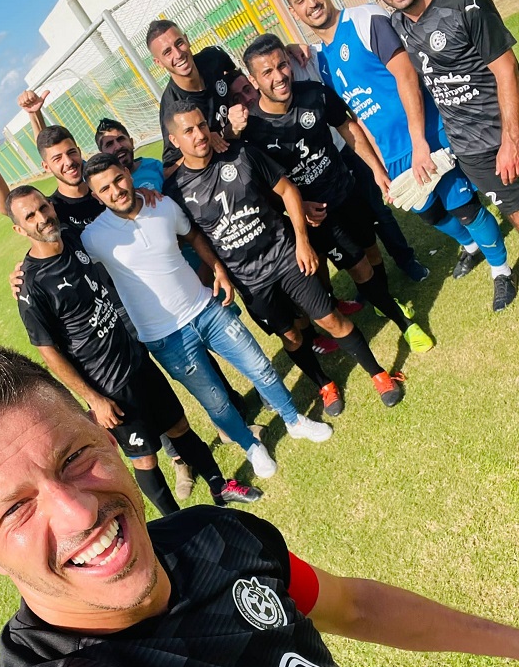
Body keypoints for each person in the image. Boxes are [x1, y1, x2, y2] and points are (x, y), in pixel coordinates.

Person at [0, 347, 519, 667]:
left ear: (109, 439)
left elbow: (353, 606)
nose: (78, 511)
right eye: (15, 509)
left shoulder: (217, 535)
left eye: (74, 458)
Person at [7, 184, 261, 514]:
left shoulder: (72, 237)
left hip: (137, 360)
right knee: (145, 458)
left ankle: (221, 486)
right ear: (19, 229)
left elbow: (111, 210)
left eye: (43, 207)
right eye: (30, 216)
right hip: (110, 387)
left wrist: (140, 190)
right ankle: (176, 524)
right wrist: (95, 399)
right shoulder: (31, 286)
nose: (41, 217)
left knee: (179, 427)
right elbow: (49, 352)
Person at [81, 153, 334, 480]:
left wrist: (219, 270)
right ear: (95, 196)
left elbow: (194, 236)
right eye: (105, 188)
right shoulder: (92, 238)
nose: (116, 190)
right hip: (166, 338)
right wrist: (23, 273)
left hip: (207, 310)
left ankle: (294, 420)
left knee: (260, 367)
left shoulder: (162, 205)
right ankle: (251, 447)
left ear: (128, 175)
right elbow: (57, 258)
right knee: (215, 401)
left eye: (118, 179)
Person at [285, 0, 515, 312]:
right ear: (293, 11)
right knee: (429, 213)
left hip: (426, 135)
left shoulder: (364, 20)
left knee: (462, 206)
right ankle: (471, 247)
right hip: (392, 154)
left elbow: (407, 76)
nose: (312, 2)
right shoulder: (320, 61)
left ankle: (501, 269)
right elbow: (354, 116)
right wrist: (378, 168)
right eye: (301, 0)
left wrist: (420, 142)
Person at [163, 101, 405, 410]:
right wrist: (218, 271)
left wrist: (302, 242)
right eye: (188, 131)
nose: (199, 135)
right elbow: (194, 237)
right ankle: (325, 385)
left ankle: (379, 374)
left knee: (330, 319)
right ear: (174, 140)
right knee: (291, 336)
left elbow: (288, 191)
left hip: (286, 257)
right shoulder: (174, 192)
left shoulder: (241, 154)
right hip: (250, 281)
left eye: (201, 125)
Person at [230, 33, 434, 354]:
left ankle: (382, 300)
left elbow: (347, 128)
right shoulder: (251, 129)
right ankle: (404, 323)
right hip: (318, 216)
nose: (279, 76)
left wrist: (376, 170)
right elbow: (260, 188)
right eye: (267, 72)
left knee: (371, 251)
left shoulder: (314, 93)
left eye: (282, 65)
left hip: (346, 190)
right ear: (254, 81)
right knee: (359, 267)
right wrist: (296, 207)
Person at [359, 0, 519, 310]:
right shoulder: (397, 26)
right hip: (471, 150)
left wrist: (511, 140)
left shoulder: (464, 0)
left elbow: (507, 69)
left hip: (506, 132)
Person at [146, 19, 235, 172]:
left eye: (179, 43)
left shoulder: (213, 57)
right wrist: (204, 139)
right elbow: (169, 170)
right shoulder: (172, 106)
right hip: (222, 167)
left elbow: (236, 76)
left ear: (187, 40)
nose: (178, 54)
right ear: (158, 62)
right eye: (167, 52)